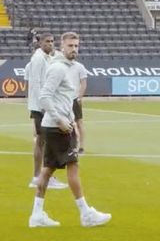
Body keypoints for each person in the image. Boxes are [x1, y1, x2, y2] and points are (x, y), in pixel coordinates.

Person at [30, 31, 111, 228]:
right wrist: (60, 120)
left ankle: (37, 215)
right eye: (70, 46)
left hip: (58, 125)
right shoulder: (58, 68)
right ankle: (86, 214)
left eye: (76, 46)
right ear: (62, 46)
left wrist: (69, 119)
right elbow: (44, 96)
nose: (74, 49)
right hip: (58, 128)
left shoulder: (68, 67)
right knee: (72, 168)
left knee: (47, 171)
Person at [25, 32, 66, 190]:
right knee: (45, 141)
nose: (51, 44)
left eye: (52, 41)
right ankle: (42, 176)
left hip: (39, 105)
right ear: (40, 43)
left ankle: (39, 176)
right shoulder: (38, 59)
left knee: (42, 141)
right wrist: (44, 105)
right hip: (41, 106)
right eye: (47, 41)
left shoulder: (44, 58)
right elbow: (36, 83)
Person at [68, 55, 89, 153]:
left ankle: (81, 146)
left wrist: (79, 97)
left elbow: (83, 83)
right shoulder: (61, 66)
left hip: (74, 99)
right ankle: (70, 145)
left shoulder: (79, 67)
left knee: (79, 122)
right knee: (66, 123)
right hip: (64, 99)